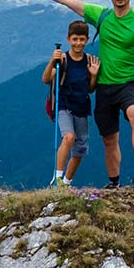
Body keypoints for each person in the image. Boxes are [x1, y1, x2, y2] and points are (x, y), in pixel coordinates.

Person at [15, 0, 134, 187]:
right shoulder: (102, 16)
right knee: (109, 140)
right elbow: (69, 0)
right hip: (104, 86)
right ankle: (114, 183)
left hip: (129, 83)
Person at [43, 20, 100, 185]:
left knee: (80, 150)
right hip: (64, 106)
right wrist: (52, 61)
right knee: (68, 137)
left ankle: (66, 183)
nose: (78, 43)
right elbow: (46, 79)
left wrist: (94, 75)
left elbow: (90, 89)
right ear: (68, 39)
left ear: (87, 40)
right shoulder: (62, 60)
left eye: (82, 39)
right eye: (75, 39)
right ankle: (58, 178)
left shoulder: (89, 61)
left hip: (82, 108)